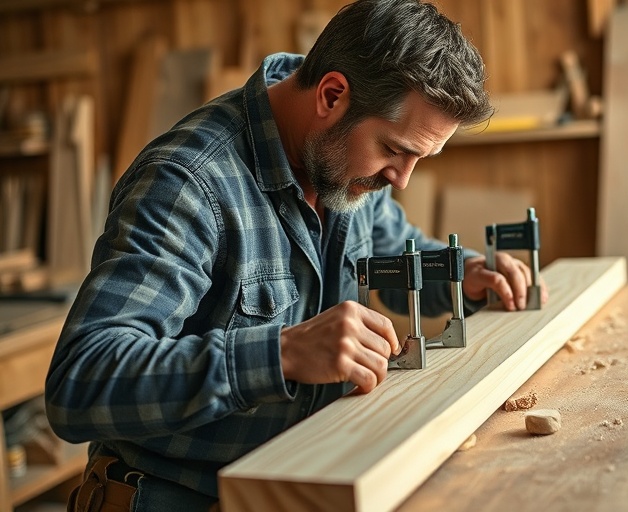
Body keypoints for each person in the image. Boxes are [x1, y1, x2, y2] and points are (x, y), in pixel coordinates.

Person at [46, 0, 548, 510]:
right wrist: (281, 353)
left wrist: (466, 275)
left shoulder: (344, 167)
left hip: (302, 480)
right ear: (332, 95)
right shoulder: (188, 184)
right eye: (396, 150)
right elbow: (81, 381)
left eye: (421, 157)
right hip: (179, 496)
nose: (402, 178)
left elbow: (396, 249)